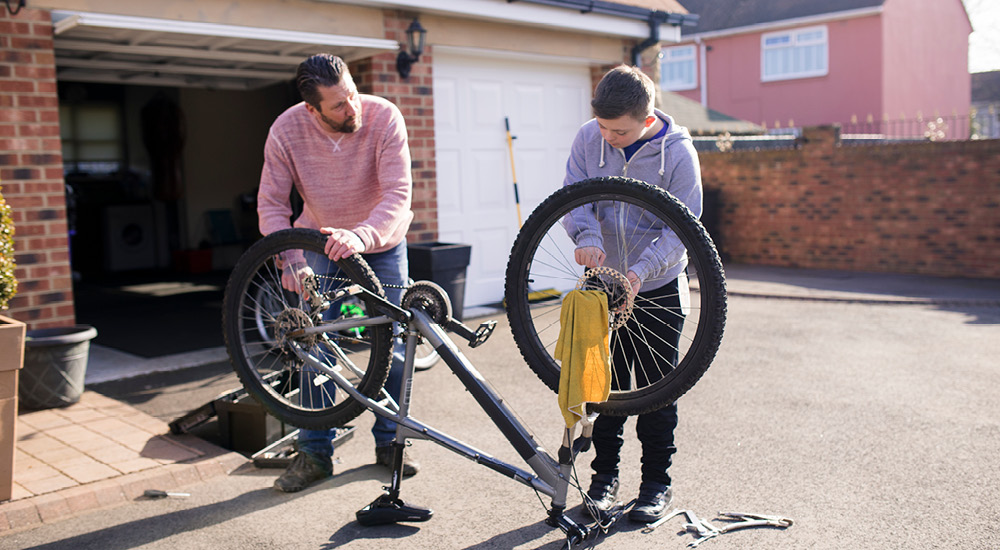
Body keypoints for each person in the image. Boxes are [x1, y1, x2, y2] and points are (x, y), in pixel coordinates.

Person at [257, 53, 419, 493]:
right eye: (339, 105)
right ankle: (314, 454)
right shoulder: (287, 130)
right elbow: (272, 205)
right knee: (315, 346)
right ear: (312, 110)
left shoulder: (384, 117)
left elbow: (398, 194)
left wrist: (362, 236)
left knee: (393, 344)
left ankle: (390, 442)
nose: (354, 109)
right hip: (318, 243)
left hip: (379, 243)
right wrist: (290, 260)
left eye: (352, 95)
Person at [562, 65, 702, 523]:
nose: (607, 137)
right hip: (604, 282)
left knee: (658, 391)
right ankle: (604, 480)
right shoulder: (589, 137)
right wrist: (587, 235)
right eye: (602, 126)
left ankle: (655, 485)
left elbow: (684, 230)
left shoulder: (678, 155)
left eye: (618, 130)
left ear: (646, 120)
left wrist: (640, 272)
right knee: (606, 386)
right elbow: (574, 197)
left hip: (658, 285)